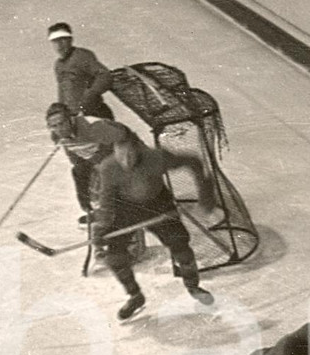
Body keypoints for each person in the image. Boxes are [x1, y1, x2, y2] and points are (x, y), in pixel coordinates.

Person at [91, 134, 216, 321]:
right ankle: (135, 296)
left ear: (138, 150)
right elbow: (107, 201)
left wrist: (206, 193)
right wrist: (102, 229)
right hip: (126, 209)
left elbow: (193, 161)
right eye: (121, 156)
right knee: (115, 259)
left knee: (180, 245)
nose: (126, 161)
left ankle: (193, 286)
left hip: (158, 204)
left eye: (131, 156)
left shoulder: (156, 157)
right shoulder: (108, 167)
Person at [45, 102, 132, 226]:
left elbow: (123, 136)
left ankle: (113, 211)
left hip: (123, 153)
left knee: (105, 172)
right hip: (95, 159)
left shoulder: (91, 125)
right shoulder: (58, 136)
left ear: (70, 119)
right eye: (54, 126)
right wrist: (82, 162)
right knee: (78, 171)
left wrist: (100, 159)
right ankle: (92, 210)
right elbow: (74, 154)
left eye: (62, 123)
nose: (59, 128)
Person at [48, 21, 115, 121]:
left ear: (70, 39)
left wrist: (89, 96)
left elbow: (105, 75)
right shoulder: (58, 65)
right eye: (55, 41)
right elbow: (62, 91)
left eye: (62, 39)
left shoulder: (81, 56)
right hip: (74, 118)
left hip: (94, 113)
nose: (59, 45)